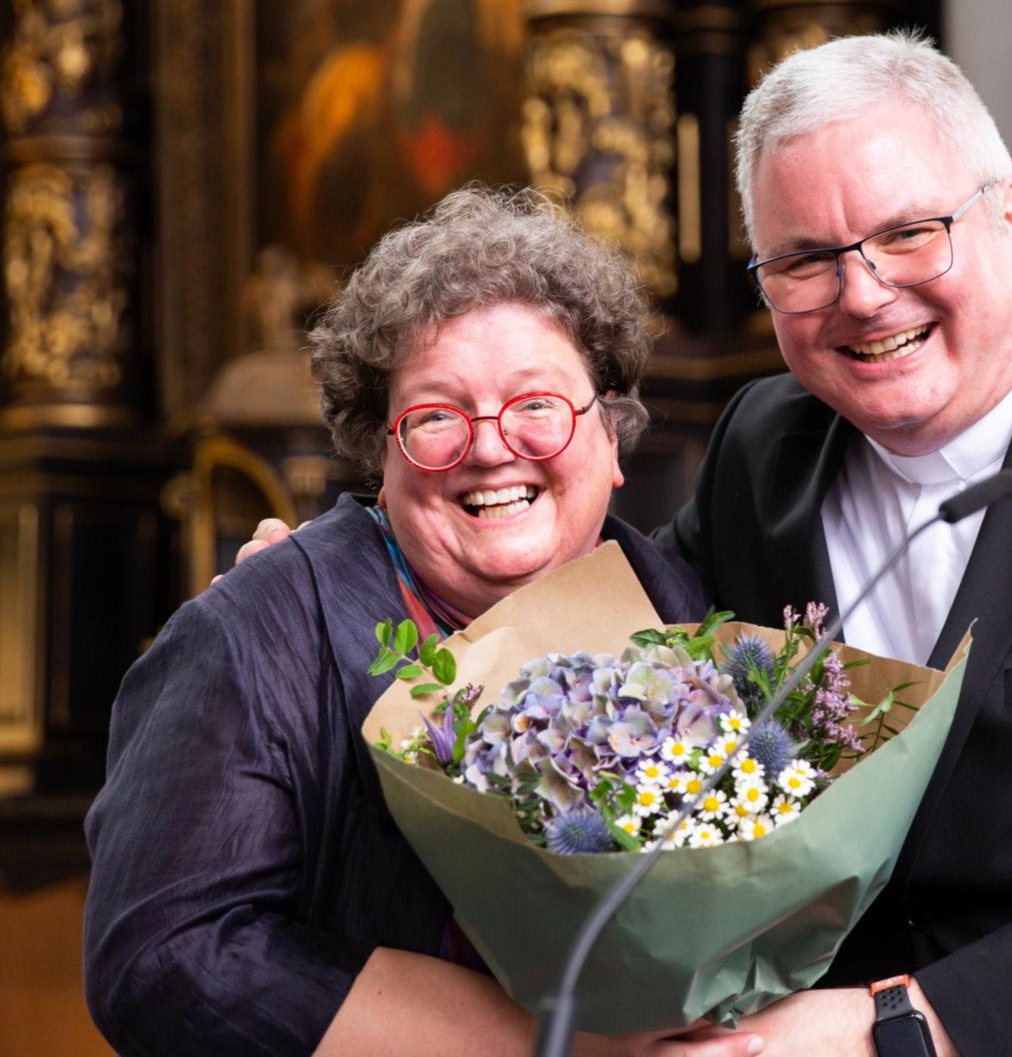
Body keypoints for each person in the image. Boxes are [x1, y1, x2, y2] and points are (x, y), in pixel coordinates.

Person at [242, 35, 1012, 1055]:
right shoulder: (768, 442)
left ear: (1011, 218)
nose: (863, 294)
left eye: (908, 232)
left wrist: (901, 1022)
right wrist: (328, 590)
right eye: (805, 259)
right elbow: (598, 635)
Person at [83, 189, 765, 1057]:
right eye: (437, 416)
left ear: (611, 435)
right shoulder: (256, 633)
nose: (490, 447)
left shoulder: (676, 603)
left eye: (537, 405)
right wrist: (558, 1045)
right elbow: (164, 961)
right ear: (381, 452)